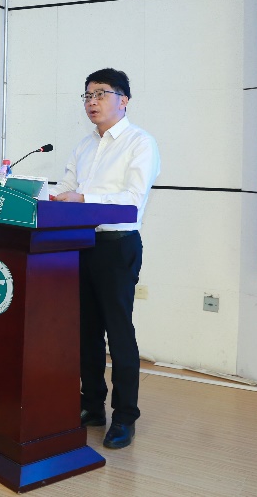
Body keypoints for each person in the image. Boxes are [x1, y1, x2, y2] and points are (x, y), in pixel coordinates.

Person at [51, 68, 160, 450]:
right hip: (81, 245)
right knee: (87, 332)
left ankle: (125, 417)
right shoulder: (84, 147)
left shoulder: (140, 143)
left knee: (119, 332)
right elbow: (66, 188)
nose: (92, 102)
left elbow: (132, 200)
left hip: (117, 246)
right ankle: (92, 406)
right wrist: (51, 198)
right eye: (87, 96)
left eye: (100, 94)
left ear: (123, 100)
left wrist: (84, 198)